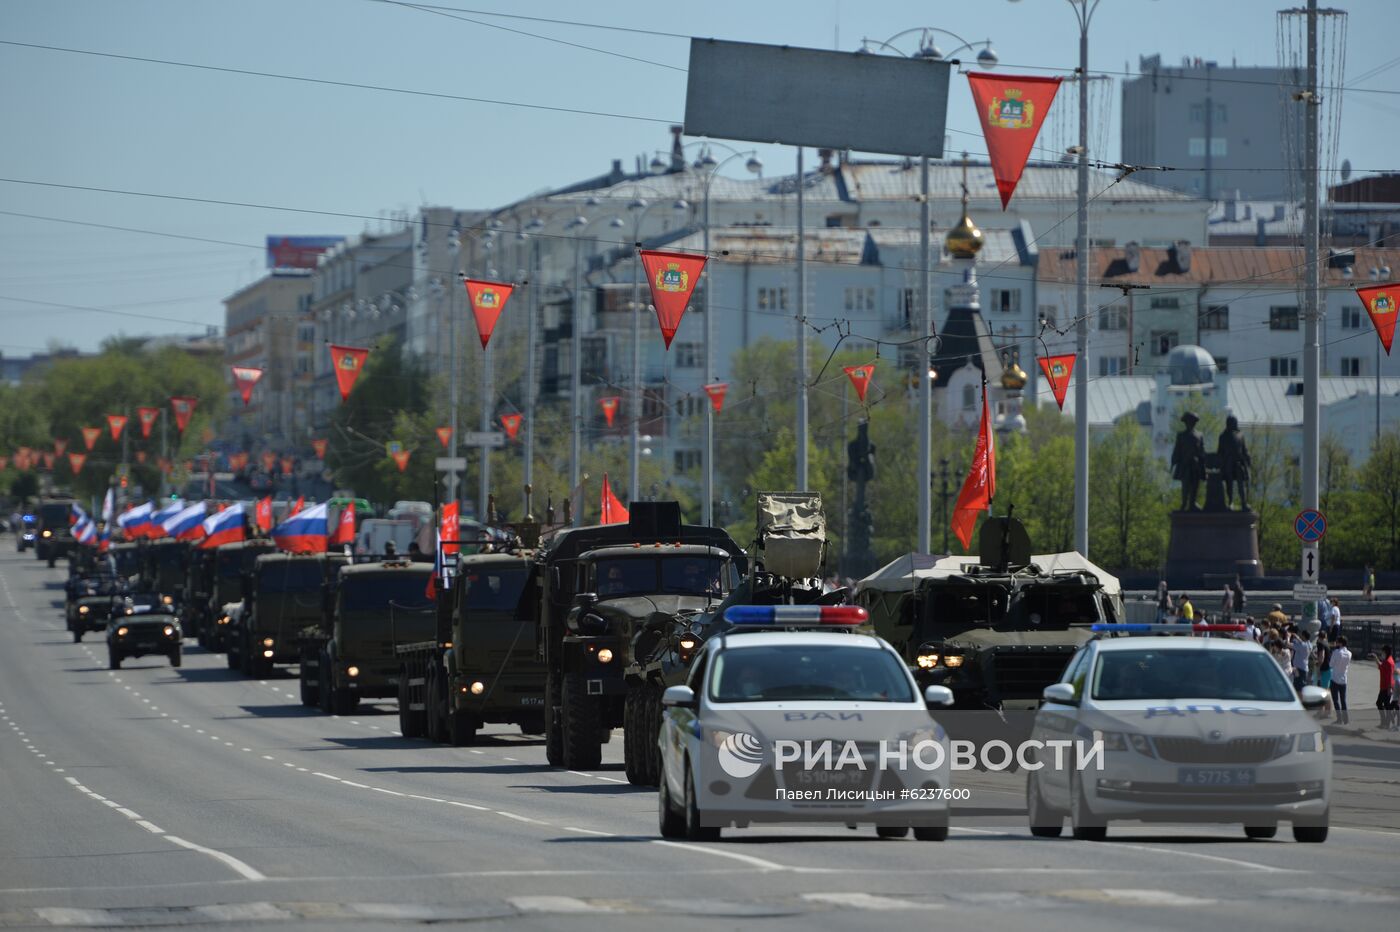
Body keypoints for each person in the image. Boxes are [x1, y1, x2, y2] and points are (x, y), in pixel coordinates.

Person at [1330, 637, 1351, 726]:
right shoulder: (1349, 653)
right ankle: (1346, 719)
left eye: (1337, 642)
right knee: (1343, 700)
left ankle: (1339, 718)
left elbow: (1331, 664)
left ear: (1340, 643)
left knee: (1335, 700)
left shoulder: (1336, 652)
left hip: (1335, 678)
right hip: (1343, 678)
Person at [1378, 645, 1397, 731]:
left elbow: (1390, 676)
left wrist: (1389, 689)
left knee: (1382, 704)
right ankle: (1385, 722)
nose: (1381, 653)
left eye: (1382, 652)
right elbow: (1380, 667)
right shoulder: (1388, 661)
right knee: (1384, 705)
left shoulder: (1389, 662)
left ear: (1385, 652)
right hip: (1384, 686)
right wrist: (1375, 658)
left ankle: (1385, 723)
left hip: (1386, 687)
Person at [1288, 627, 1311, 692]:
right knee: (1301, 687)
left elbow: (1288, 645)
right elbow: (1302, 643)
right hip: (1303, 667)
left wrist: (1288, 637)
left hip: (1299, 668)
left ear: (1303, 636)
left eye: (1301, 635)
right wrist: (1298, 638)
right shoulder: (1309, 644)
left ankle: (1300, 701)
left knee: (1298, 688)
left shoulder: (1302, 646)